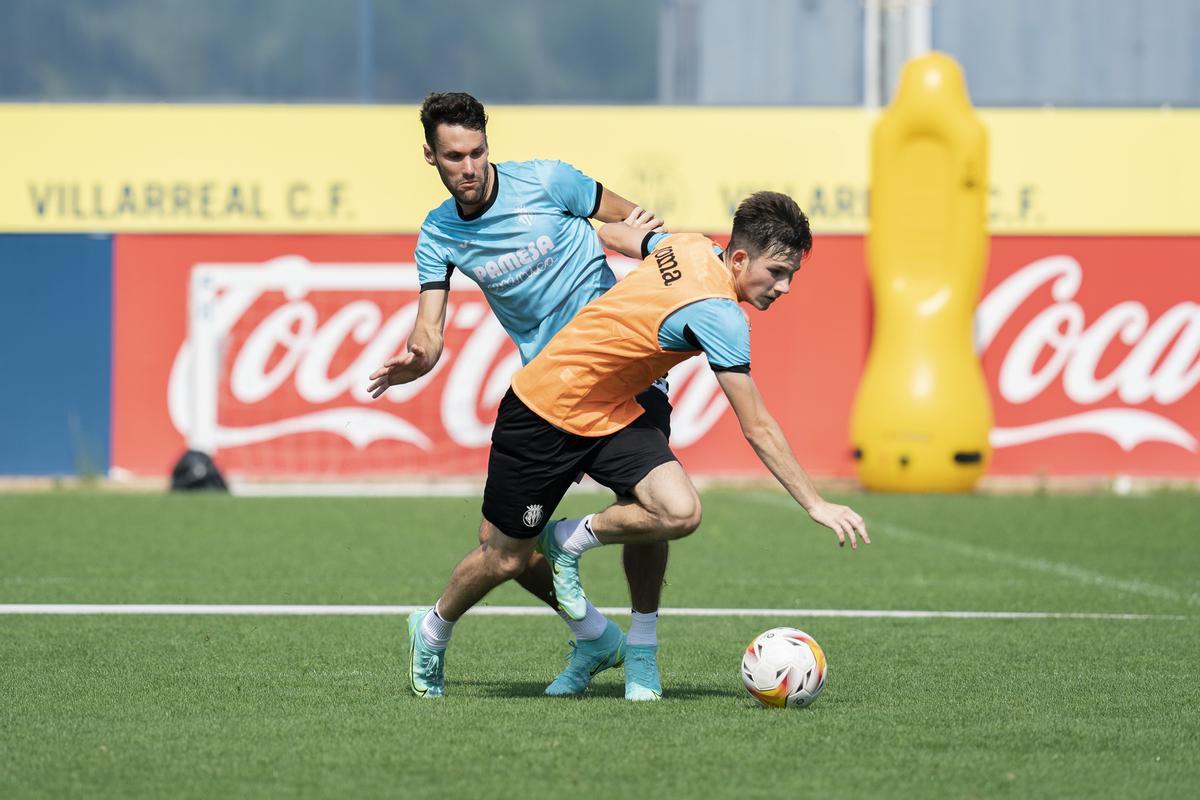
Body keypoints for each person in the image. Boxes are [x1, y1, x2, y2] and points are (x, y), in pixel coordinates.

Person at [405, 191, 870, 699]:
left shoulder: (690, 246)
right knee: (503, 556)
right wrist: (816, 503)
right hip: (544, 408)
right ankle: (430, 632)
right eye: (778, 272)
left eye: (791, 276)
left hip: (614, 410)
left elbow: (610, 233)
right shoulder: (721, 315)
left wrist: (637, 232)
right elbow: (756, 425)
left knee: (677, 511)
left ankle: (580, 562)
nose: (783, 287)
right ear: (739, 259)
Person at [367, 92, 673, 700]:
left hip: (625, 374)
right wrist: (417, 359)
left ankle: (641, 651)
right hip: (549, 393)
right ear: (431, 156)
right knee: (502, 551)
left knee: (654, 508)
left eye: (478, 151)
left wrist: (622, 238)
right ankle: (591, 636)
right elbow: (430, 330)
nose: (470, 166)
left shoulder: (551, 181)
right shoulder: (438, 234)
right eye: (454, 156)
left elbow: (635, 222)